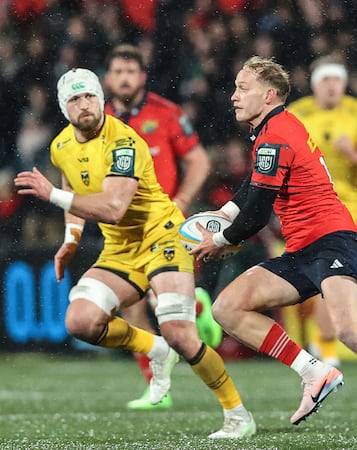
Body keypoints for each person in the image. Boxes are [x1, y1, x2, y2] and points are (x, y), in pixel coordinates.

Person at [190, 56, 357, 442]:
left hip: (333, 240)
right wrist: (226, 211)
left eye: (242, 88)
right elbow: (253, 186)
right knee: (227, 308)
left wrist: (220, 239)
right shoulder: (275, 128)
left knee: (351, 332)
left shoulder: (276, 134)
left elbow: (257, 215)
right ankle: (314, 371)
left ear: (268, 95)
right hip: (303, 248)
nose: (233, 97)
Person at [14, 68, 255, 439]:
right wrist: (72, 237)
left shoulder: (124, 140)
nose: (85, 105)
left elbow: (113, 207)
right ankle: (154, 348)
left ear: (100, 98)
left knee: (181, 334)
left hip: (161, 235)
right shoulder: (61, 146)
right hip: (120, 247)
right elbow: (70, 185)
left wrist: (51, 195)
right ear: (65, 108)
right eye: (75, 100)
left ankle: (237, 414)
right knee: (80, 321)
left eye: (90, 96)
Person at [104, 43, 219, 410]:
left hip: (162, 225)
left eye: (130, 72)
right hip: (122, 230)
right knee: (132, 309)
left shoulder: (166, 114)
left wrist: (182, 201)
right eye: (118, 72)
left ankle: (195, 309)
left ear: (142, 77)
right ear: (108, 78)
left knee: (157, 300)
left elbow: (199, 161)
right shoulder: (97, 120)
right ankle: (159, 388)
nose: (124, 78)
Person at [287, 55, 357, 366]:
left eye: (337, 80)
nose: (332, 86)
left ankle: (325, 348)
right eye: (326, 80)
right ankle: (320, 343)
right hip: (303, 202)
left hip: (344, 204)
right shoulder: (296, 113)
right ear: (315, 84)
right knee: (317, 273)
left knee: (330, 271)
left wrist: (352, 154)